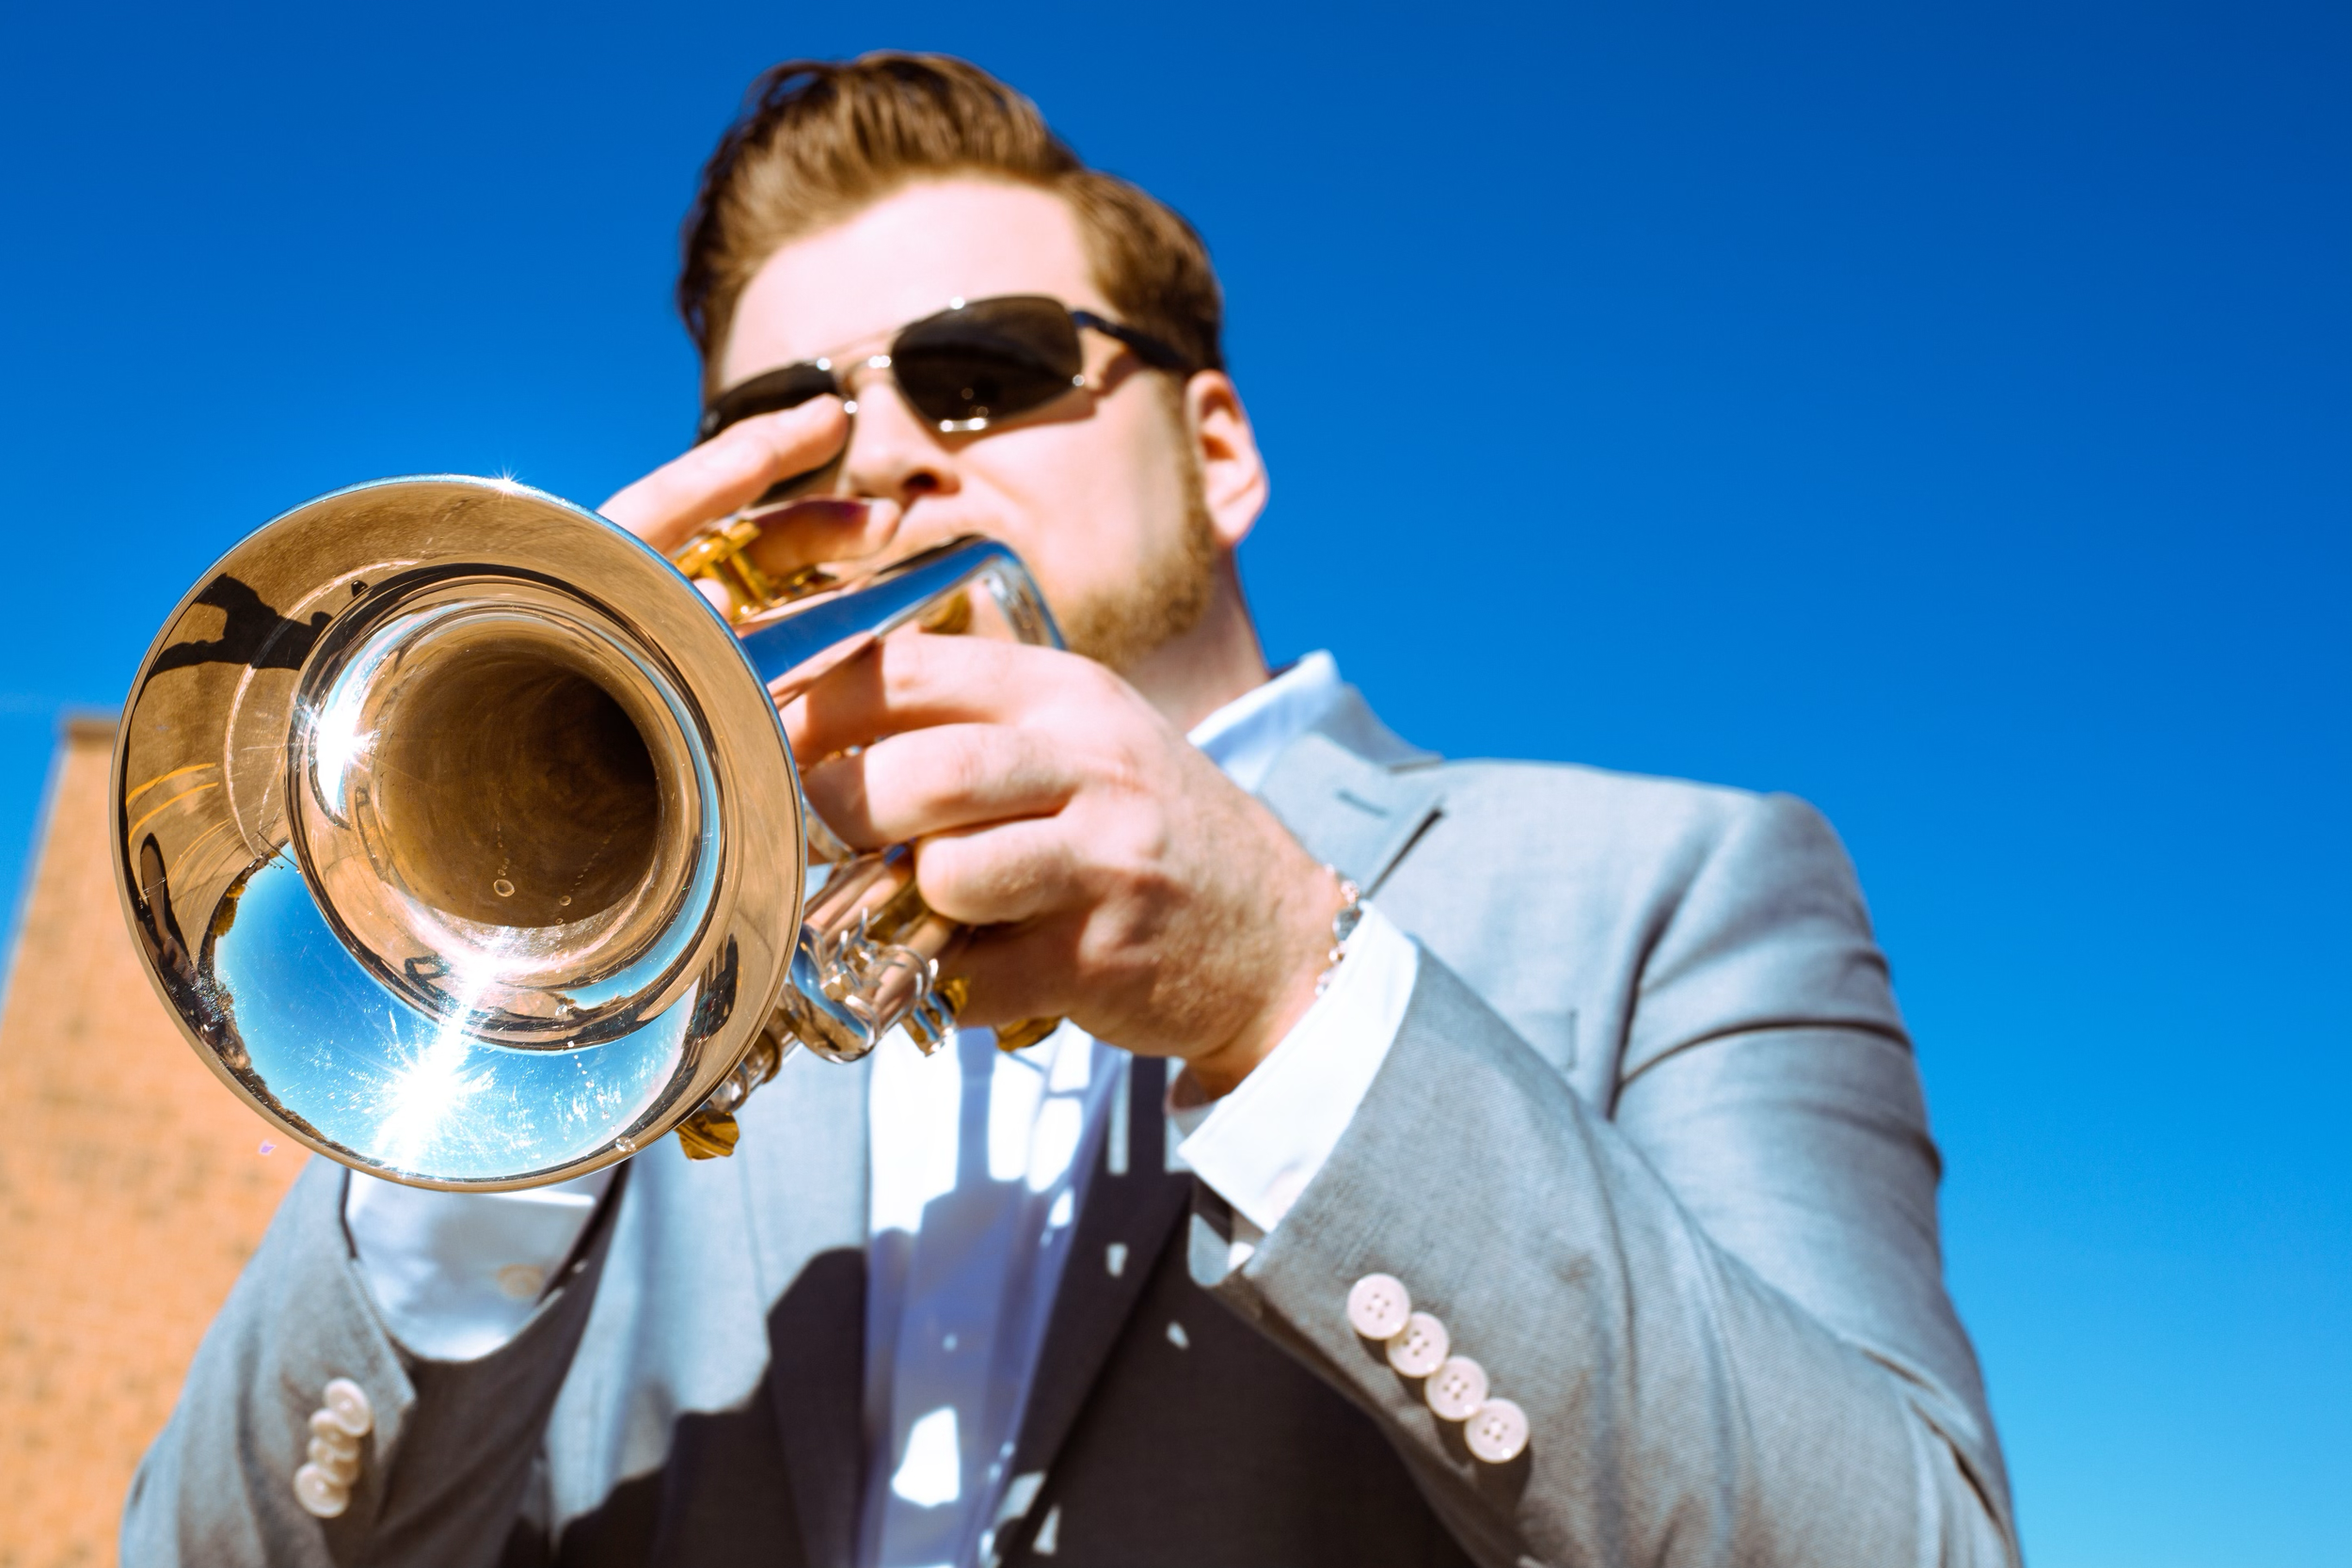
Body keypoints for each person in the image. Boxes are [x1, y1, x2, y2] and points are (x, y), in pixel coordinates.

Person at [122, 53, 2018, 1568]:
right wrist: (517, 1046)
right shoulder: (641, 1024)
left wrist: (1284, 988)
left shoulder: (1669, 887)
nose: (878, 451)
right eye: (786, 417)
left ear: (1217, 447)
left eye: (981, 371)